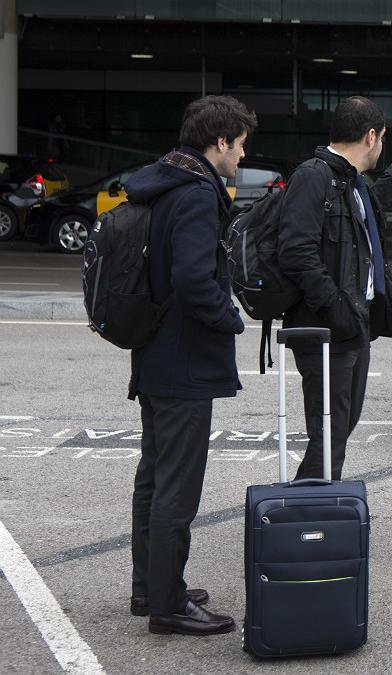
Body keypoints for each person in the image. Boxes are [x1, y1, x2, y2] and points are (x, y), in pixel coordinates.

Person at [122, 95, 255, 635]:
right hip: (184, 360)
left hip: (153, 350)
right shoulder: (198, 193)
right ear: (219, 142)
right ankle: (168, 606)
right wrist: (231, 319)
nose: (243, 156)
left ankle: (149, 587)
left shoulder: (162, 180)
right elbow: (194, 280)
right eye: (241, 145)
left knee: (154, 479)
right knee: (176, 487)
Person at [278, 96, 392, 481]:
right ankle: (310, 513)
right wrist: (336, 309)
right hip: (328, 328)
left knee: (340, 426)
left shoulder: (350, 181)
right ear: (371, 135)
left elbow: (365, 212)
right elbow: (296, 252)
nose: (382, 146)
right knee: (330, 429)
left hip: (354, 326)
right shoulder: (314, 176)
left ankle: (315, 507)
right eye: (383, 139)